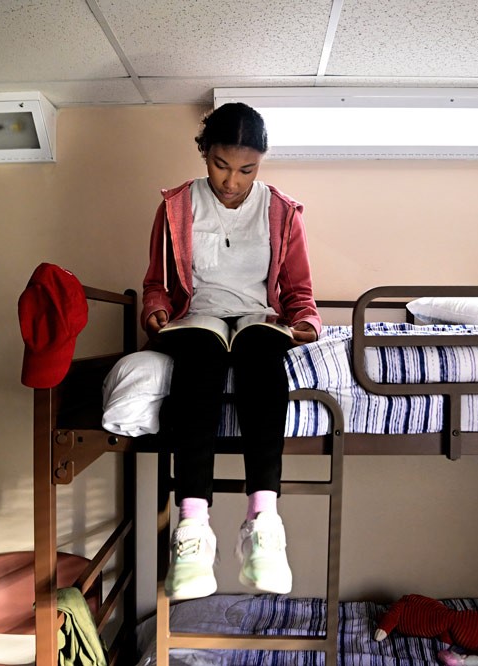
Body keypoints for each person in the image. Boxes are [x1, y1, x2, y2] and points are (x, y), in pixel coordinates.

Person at [141, 102, 321, 601]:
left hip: (257, 319)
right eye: (221, 165)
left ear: (260, 163)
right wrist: (155, 309)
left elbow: (299, 292)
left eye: (247, 169)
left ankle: (263, 522)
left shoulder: (281, 211)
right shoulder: (176, 205)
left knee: (262, 355)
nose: (232, 181)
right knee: (199, 361)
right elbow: (156, 284)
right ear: (204, 154)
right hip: (197, 316)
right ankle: (193, 529)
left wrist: (304, 321)